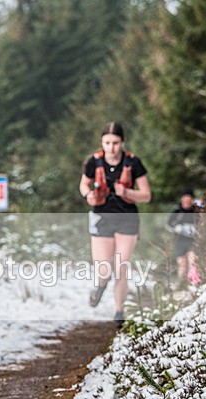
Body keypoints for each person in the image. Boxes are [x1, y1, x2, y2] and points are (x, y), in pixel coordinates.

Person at [79, 122, 152, 327]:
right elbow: (83, 183)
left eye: (115, 143)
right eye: (107, 142)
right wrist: (88, 195)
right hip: (102, 218)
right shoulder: (93, 163)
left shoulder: (133, 163)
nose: (111, 147)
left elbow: (146, 195)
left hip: (127, 218)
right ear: (102, 142)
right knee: (104, 268)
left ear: (122, 143)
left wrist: (127, 193)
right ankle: (101, 286)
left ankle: (119, 311)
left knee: (121, 267)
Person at [166, 189, 199, 283]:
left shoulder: (196, 210)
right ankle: (180, 283)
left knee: (193, 260)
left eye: (189, 198)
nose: (187, 201)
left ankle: (192, 282)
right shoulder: (177, 210)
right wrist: (176, 228)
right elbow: (168, 223)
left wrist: (197, 229)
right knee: (182, 263)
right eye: (185, 198)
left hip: (193, 240)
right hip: (179, 240)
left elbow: (202, 222)